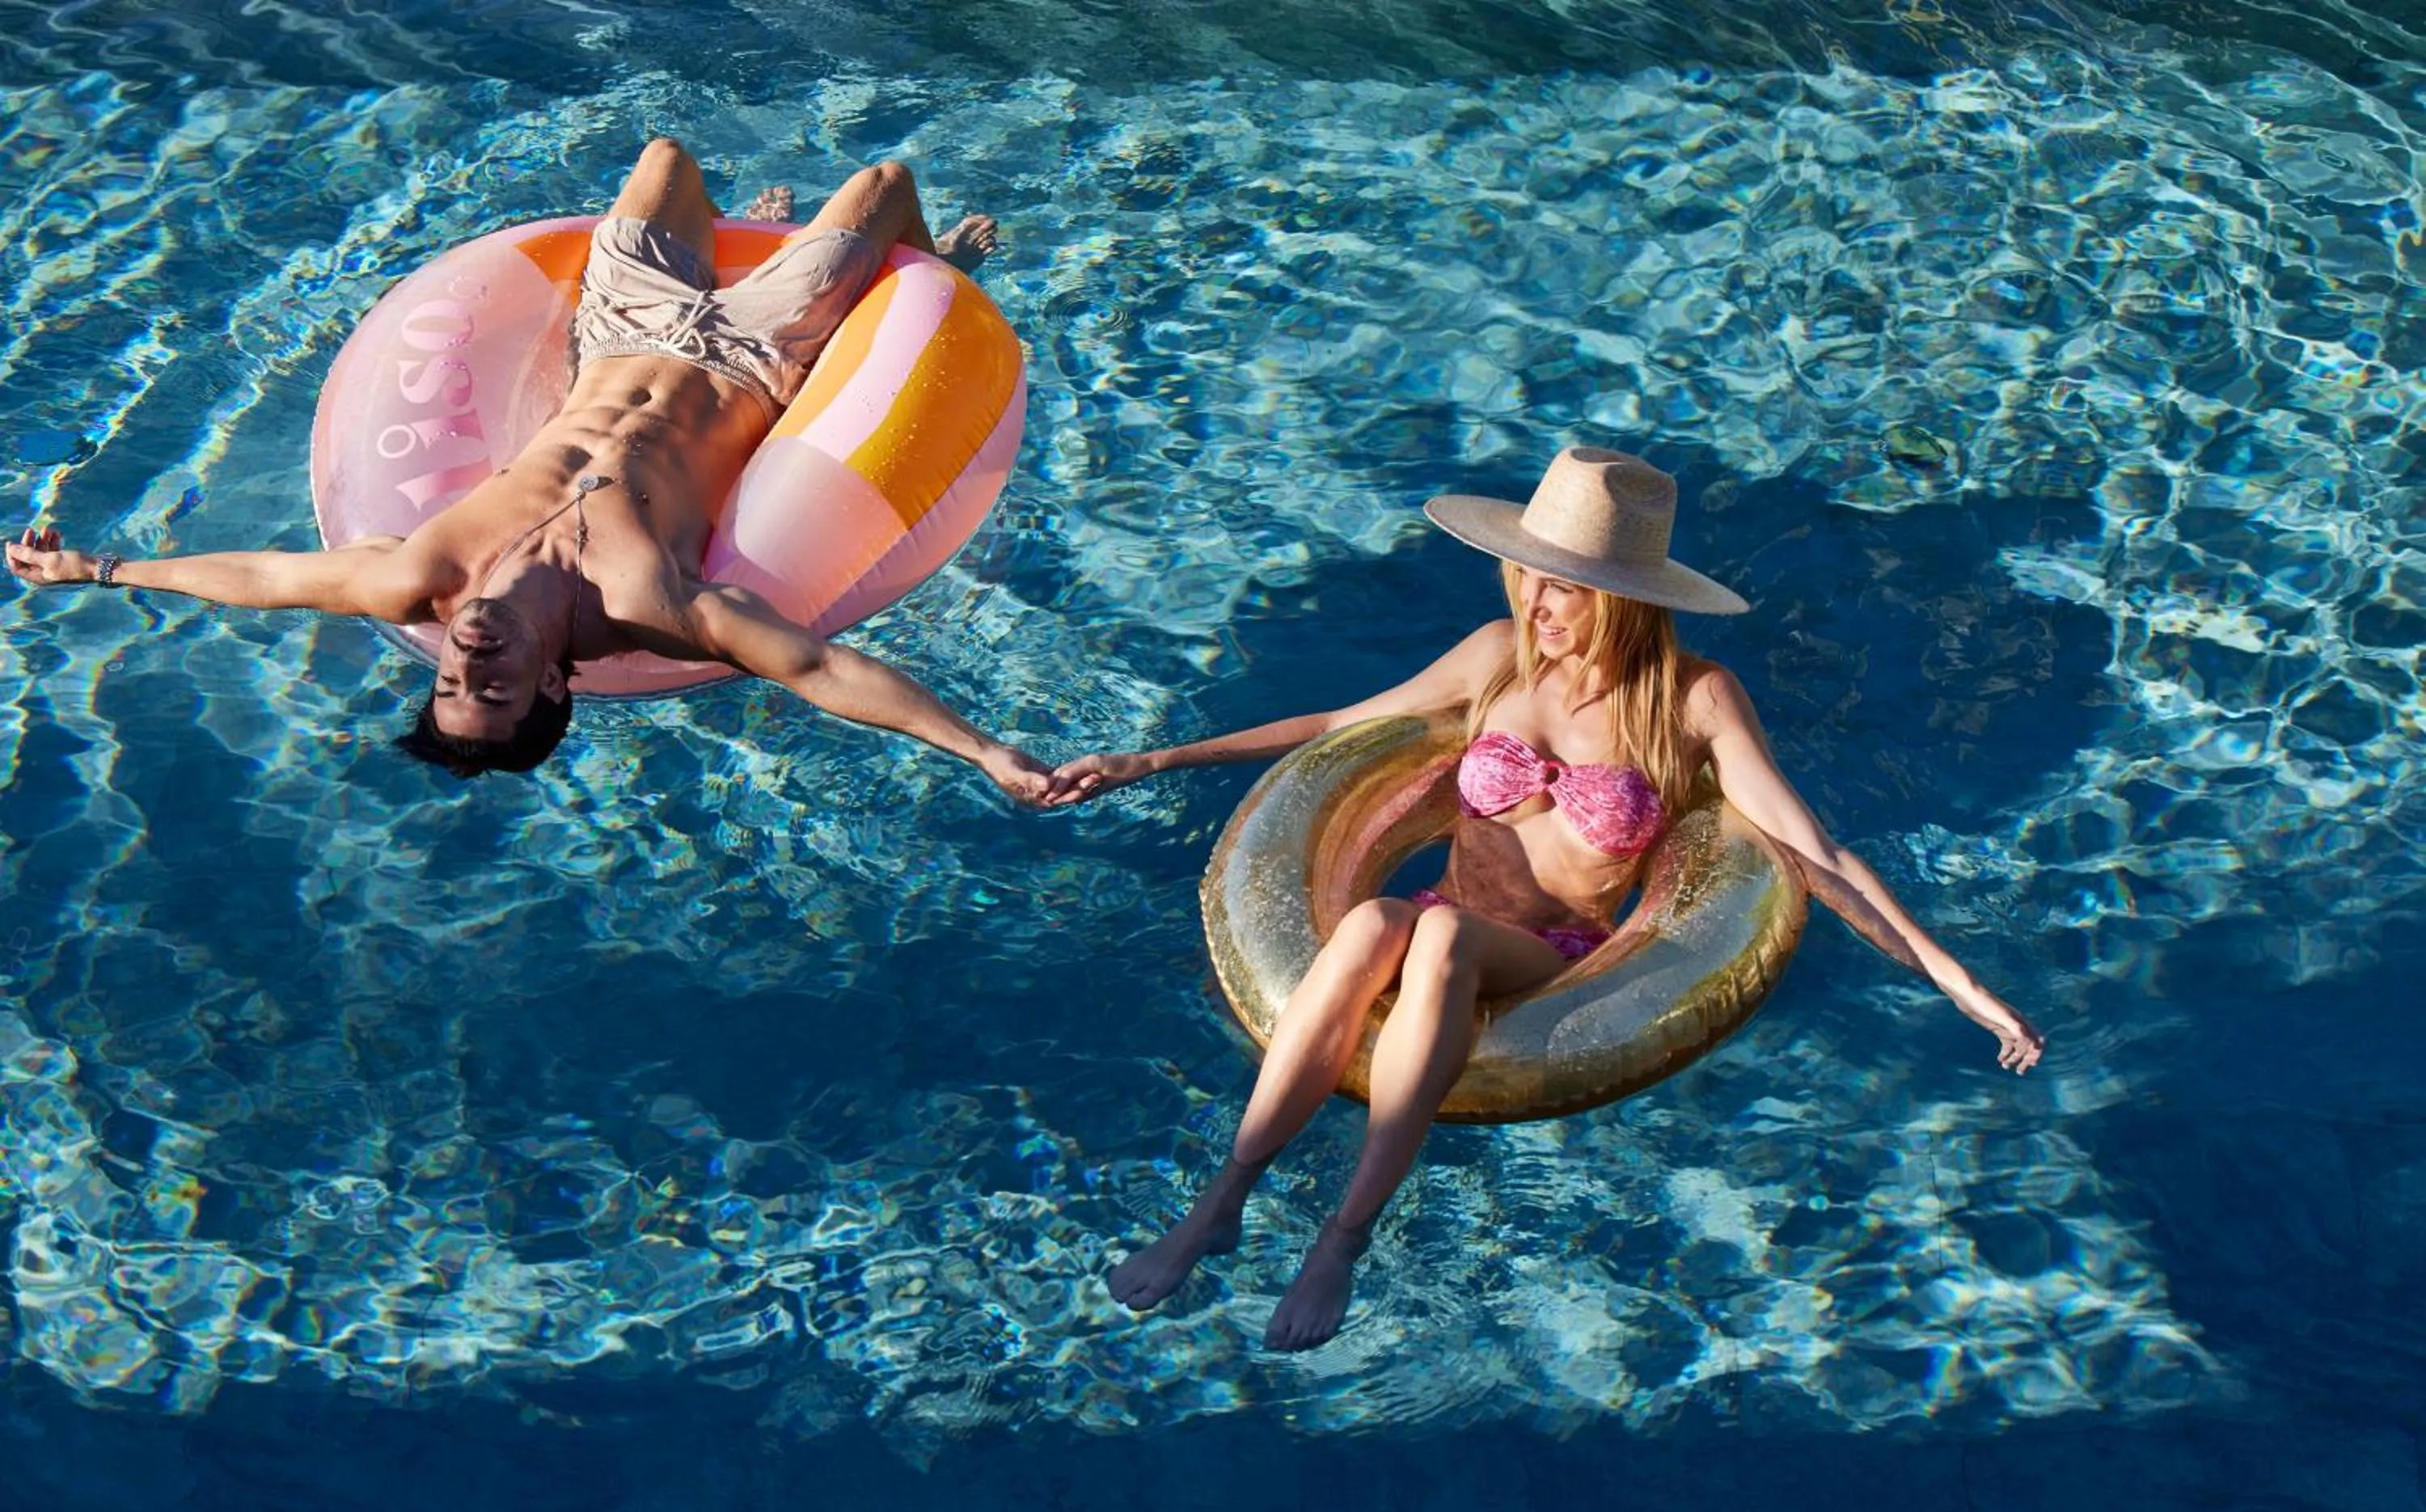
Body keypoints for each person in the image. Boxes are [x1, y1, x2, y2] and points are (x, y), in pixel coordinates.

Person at [1046, 447, 2047, 1352]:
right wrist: (1153, 760)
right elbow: (1341, 722)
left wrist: (1958, 982)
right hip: (1432, 918)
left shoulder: (1693, 699)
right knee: (1379, 921)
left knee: (1438, 935)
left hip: (1551, 957)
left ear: (1625, 596)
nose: (1537, 600)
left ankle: (1342, 1237)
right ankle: (1222, 1200)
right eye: (1527, 572)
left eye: (1565, 585)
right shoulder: (1497, 655)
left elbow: (1813, 849)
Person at [7, 139, 1049, 802]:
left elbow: (266, 579)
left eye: (451, 682)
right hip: (756, 357)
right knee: (883, 184)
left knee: (668, 161)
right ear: (552, 681)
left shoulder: (417, 575)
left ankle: (761, 230)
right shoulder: (647, 604)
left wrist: (95, 570)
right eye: (492, 687)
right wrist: (985, 752)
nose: (466, 660)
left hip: (620, 331)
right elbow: (819, 671)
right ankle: (934, 273)